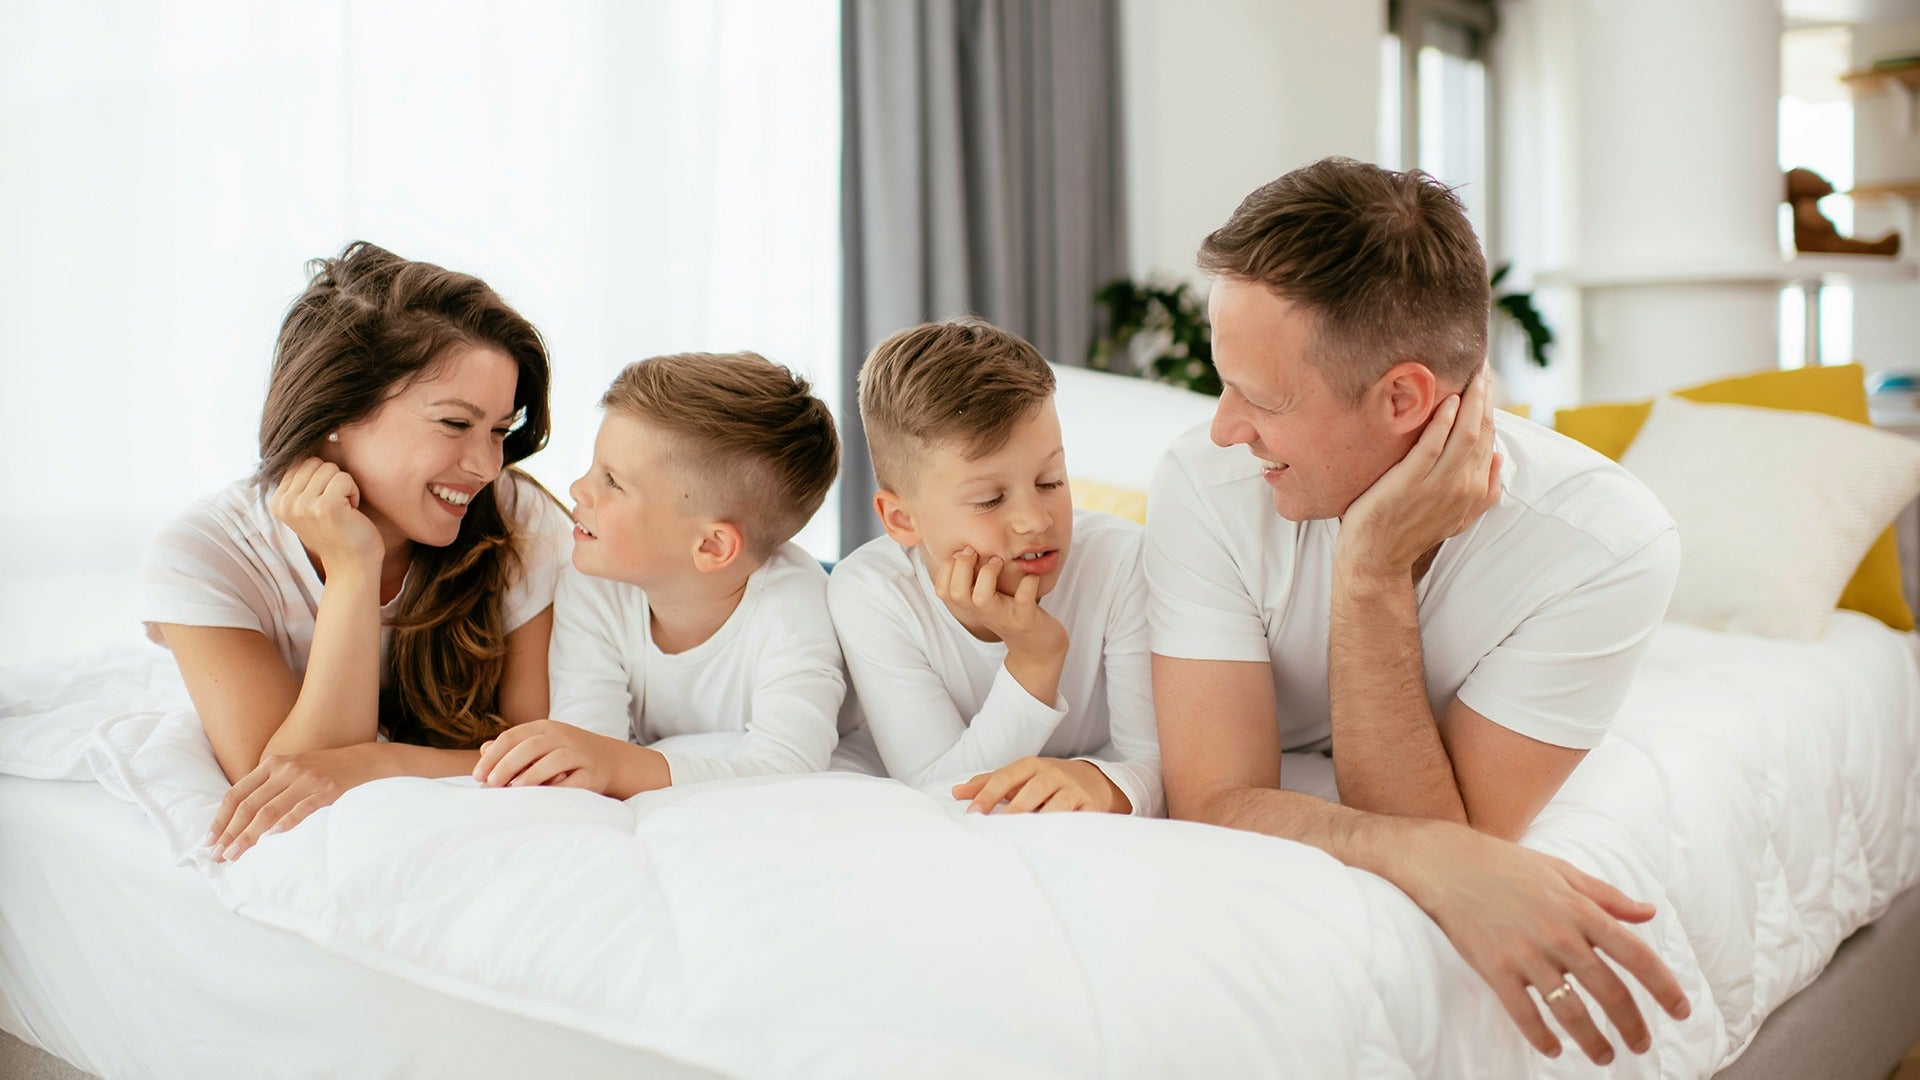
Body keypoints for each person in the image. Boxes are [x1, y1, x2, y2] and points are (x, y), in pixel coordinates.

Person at [1148, 158, 1687, 1064]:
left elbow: (1460, 828)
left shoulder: (1605, 544)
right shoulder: (1204, 484)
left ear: (1403, 397)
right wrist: (1427, 852)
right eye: (1222, 381)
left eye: (1261, 398)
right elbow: (1215, 797)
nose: (1223, 427)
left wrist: (1368, 572)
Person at [143, 241, 573, 861]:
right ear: (336, 413)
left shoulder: (515, 518)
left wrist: (378, 761)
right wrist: (352, 569)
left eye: (499, 431)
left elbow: (542, 747)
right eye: (455, 424)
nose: (485, 465)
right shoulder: (206, 554)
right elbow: (288, 794)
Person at [472, 351, 864, 795]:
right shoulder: (592, 582)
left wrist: (618, 767)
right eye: (593, 468)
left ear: (710, 546)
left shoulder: (795, 607)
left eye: (613, 482)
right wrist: (600, 758)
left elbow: (788, 764)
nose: (578, 489)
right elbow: (583, 742)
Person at [829, 318, 1162, 816]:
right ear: (901, 519)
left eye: (1051, 481)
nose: (1034, 519)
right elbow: (943, 792)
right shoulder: (872, 593)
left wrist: (1100, 783)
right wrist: (1034, 659)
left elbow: (1162, 763)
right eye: (989, 500)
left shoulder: (1122, 563)